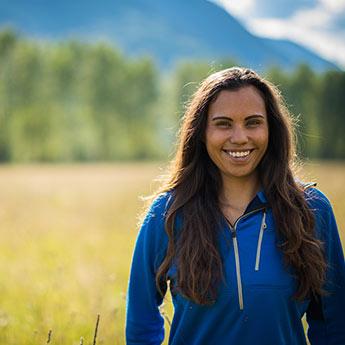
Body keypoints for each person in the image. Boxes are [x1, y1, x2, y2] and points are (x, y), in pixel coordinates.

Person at [125, 67, 345, 344]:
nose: (239, 137)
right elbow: (140, 324)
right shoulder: (167, 214)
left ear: (271, 129)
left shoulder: (312, 210)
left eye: (253, 122)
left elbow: (334, 324)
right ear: (201, 132)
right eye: (223, 123)